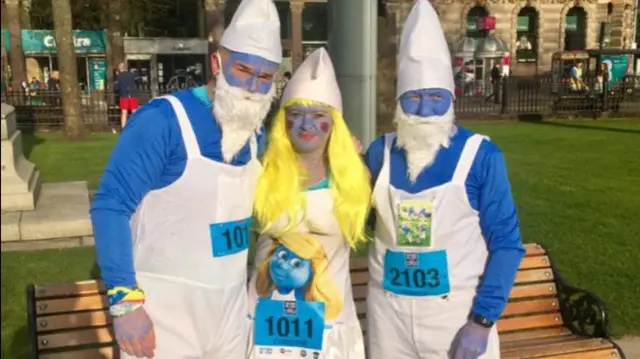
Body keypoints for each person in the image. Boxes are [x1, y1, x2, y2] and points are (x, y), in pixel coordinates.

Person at [89, 0, 282, 358]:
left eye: (265, 77)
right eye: (243, 69)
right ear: (216, 63)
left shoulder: (256, 136)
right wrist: (125, 303)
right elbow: (110, 204)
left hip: (230, 311)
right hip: (163, 312)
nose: (253, 86)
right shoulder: (163, 121)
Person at [363, 1, 525, 359]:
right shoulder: (380, 153)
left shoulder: (481, 157)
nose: (424, 111)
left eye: (436, 99)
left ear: (451, 99)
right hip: (388, 319)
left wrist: (481, 322)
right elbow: (355, 219)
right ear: (399, 103)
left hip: (456, 319)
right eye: (414, 99)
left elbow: (507, 244)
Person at [247, 48, 371, 359]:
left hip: (328, 330)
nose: (306, 125)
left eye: (318, 116)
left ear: (334, 123)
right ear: (283, 121)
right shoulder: (259, 172)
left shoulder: (355, 178)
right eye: (296, 114)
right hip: (262, 325)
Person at [115, 62, 139, 128]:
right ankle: (136, 127)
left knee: (124, 112)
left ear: (120, 68)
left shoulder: (119, 76)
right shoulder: (132, 75)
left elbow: (116, 88)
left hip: (123, 95)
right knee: (134, 112)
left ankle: (124, 128)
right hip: (133, 95)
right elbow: (137, 83)